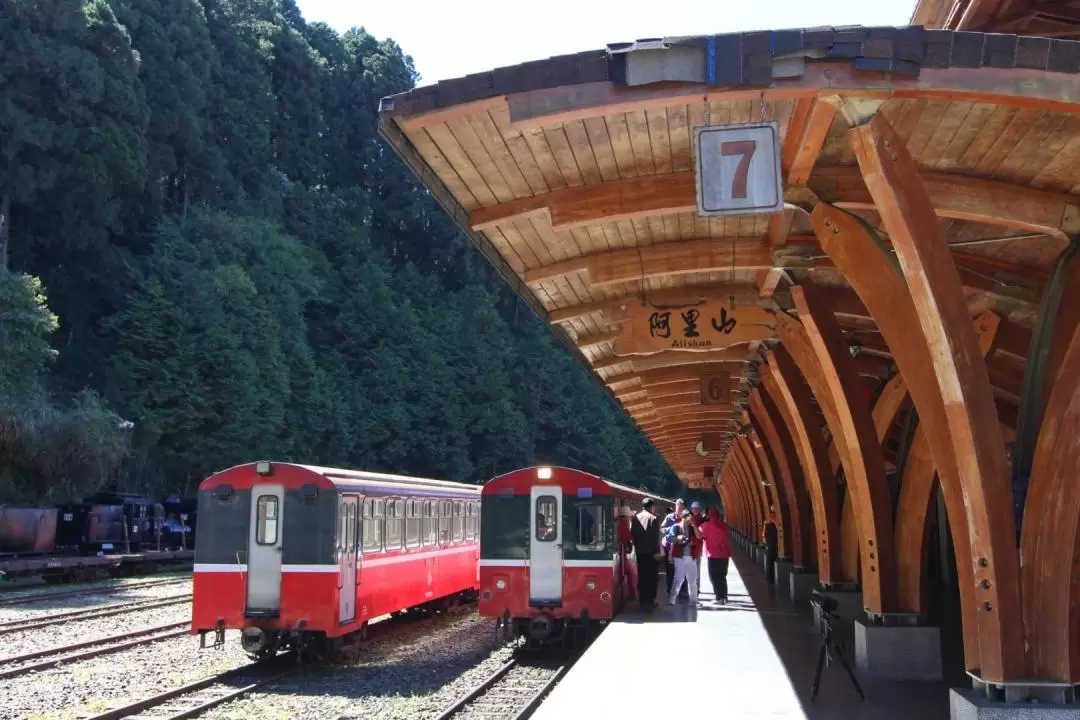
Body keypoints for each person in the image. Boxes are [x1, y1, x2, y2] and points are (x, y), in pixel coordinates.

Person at [665, 510, 702, 606]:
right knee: (679, 578)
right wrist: (678, 539)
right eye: (689, 518)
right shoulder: (676, 527)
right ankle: (671, 599)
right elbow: (669, 538)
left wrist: (694, 525)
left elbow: (699, 536)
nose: (691, 520)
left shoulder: (691, 528)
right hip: (679, 556)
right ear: (684, 517)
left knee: (692, 579)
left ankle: (694, 600)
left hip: (691, 555)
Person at [630, 498, 662, 609]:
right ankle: (650, 600)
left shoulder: (635, 518)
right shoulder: (654, 518)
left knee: (642, 576)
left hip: (639, 552)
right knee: (652, 577)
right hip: (651, 553)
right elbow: (655, 538)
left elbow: (633, 534)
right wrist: (656, 552)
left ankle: (642, 600)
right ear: (652, 507)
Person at [701, 508, 732, 603]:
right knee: (722, 576)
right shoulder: (724, 525)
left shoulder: (706, 525)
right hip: (724, 554)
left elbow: (699, 534)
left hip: (713, 555)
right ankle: (724, 596)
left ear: (709, 515)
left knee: (714, 576)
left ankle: (719, 598)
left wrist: (694, 524)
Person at [660, 499, 685, 595]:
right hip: (669, 547)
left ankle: (682, 590)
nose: (679, 508)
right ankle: (670, 589)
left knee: (681, 570)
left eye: (681, 506)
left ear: (683, 507)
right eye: (678, 506)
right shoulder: (669, 517)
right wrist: (672, 528)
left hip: (681, 548)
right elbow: (662, 529)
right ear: (675, 506)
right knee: (670, 570)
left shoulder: (685, 518)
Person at [617, 505, 638, 601]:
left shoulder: (618, 523)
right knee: (633, 573)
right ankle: (633, 595)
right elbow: (630, 539)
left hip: (620, 553)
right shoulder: (623, 524)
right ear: (625, 517)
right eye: (629, 516)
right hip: (621, 554)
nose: (630, 518)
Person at [762, 510, 779, 585]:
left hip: (769, 543)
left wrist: (765, 542)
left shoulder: (766, 522)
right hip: (773, 542)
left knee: (770, 559)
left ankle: (770, 577)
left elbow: (764, 533)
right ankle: (771, 576)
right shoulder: (774, 520)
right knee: (772, 558)